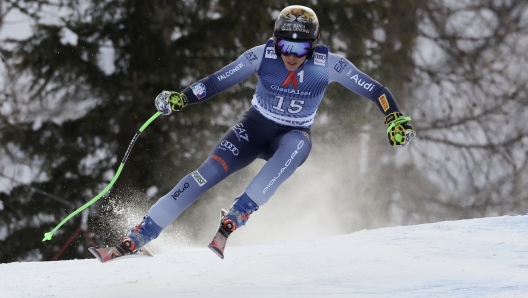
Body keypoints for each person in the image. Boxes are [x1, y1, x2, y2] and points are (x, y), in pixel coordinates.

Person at [116, 5, 415, 257]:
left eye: (301, 48)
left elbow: (376, 90)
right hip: (252, 130)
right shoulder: (262, 55)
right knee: (203, 175)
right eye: (285, 45)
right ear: (275, 41)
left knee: (297, 147)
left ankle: (240, 210)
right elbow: (217, 80)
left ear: (315, 43)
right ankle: (144, 231)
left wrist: (393, 117)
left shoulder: (329, 65)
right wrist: (182, 98)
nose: (292, 55)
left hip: (292, 136)